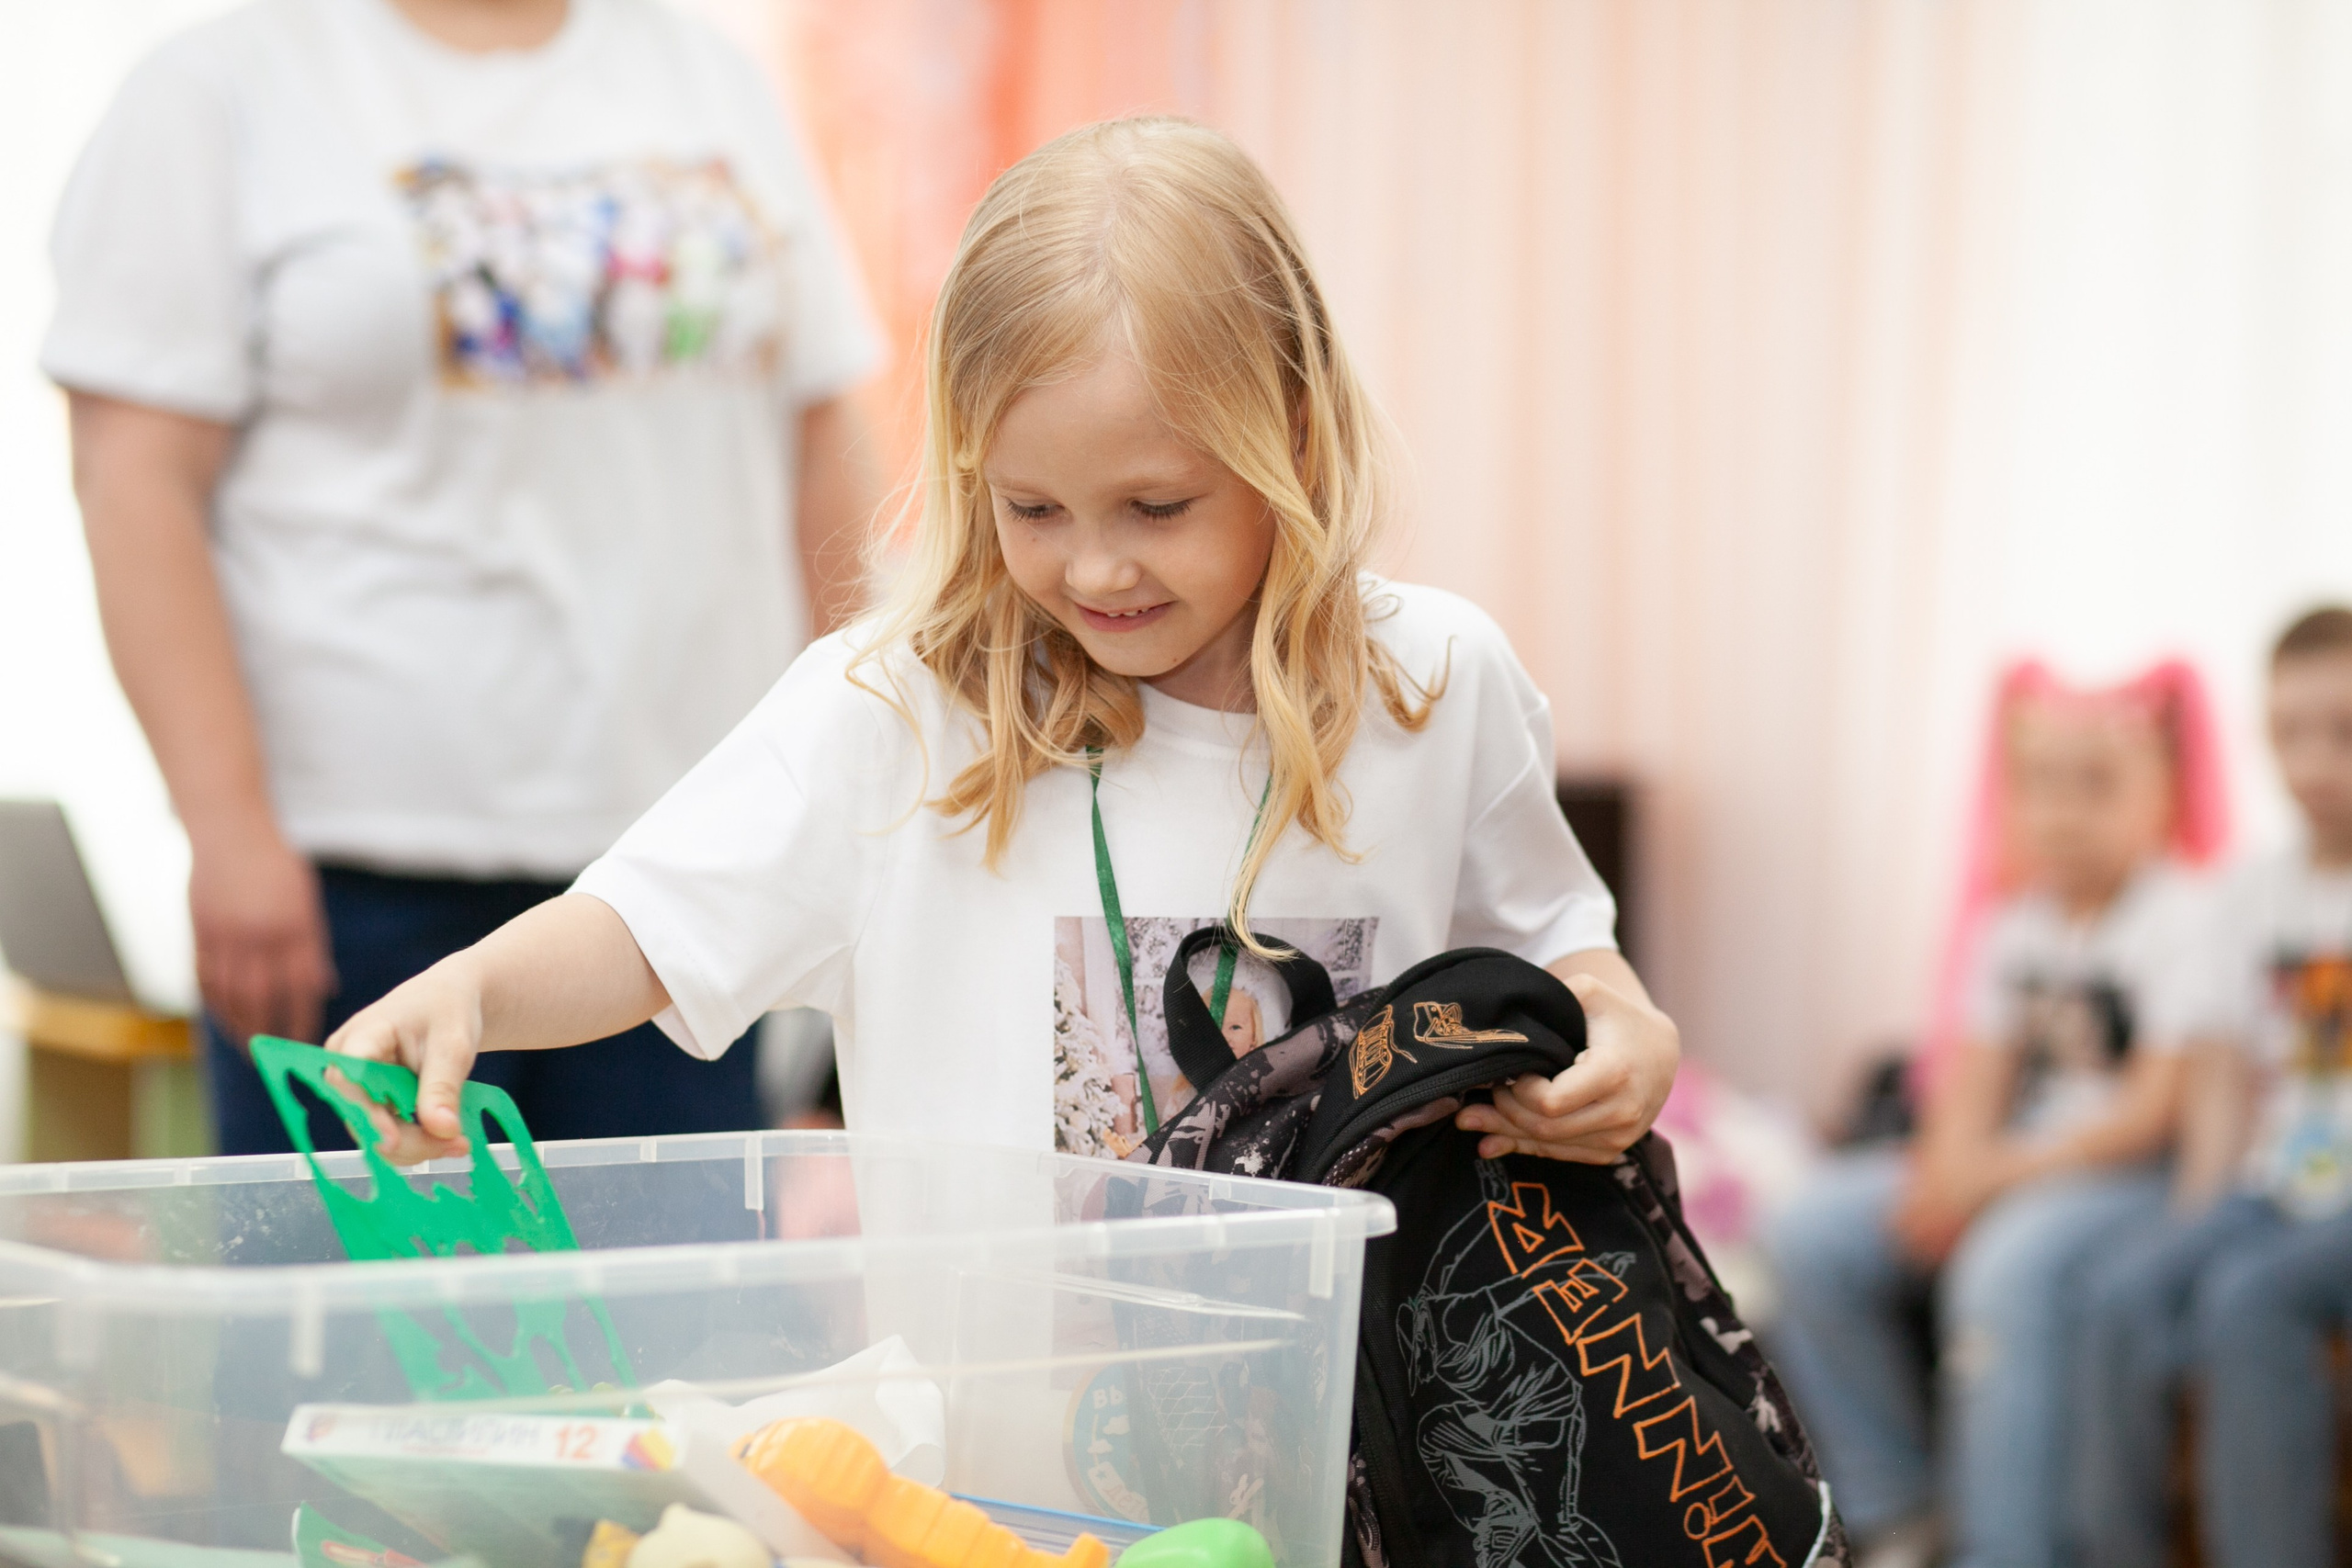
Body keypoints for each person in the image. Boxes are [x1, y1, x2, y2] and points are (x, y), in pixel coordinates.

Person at [321, 116, 1680, 1180]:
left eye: (1157, 507)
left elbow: (1557, 947)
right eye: (1032, 509)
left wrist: (1627, 1032)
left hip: (1346, 1435)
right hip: (987, 1441)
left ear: (1297, 436)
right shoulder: (896, 711)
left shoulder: (1437, 681)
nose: (1094, 568)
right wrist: (473, 990)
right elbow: (649, 928)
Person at [42, 0, 883, 1152]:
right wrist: (226, 830)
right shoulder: (220, 87)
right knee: (363, 1272)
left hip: (685, 867)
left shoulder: (705, 76)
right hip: (357, 891)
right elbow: (133, 480)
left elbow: (821, 431)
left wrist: (862, 769)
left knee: (674, 1267)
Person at [1761, 660, 2227, 1568]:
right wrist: (1947, 1173)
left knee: (2002, 1270)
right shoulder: (2016, 923)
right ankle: (1896, 1504)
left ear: (2163, 791)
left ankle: (2006, 1544)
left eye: (2095, 785)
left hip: (2127, 1176)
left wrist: (1987, 1180)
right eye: (2040, 784)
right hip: (2017, 1163)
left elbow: (2152, 1110)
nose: (2062, 812)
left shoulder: (2186, 916)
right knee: (1810, 1228)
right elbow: (1971, 1081)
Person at [2070, 606, 2352, 1568]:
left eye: (2343, 733)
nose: (2313, 763)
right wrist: (2192, 1223)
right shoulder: (2248, 892)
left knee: (2247, 1298)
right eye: (2289, 734)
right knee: (2122, 1289)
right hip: (2272, 1192)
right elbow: (2223, 1077)